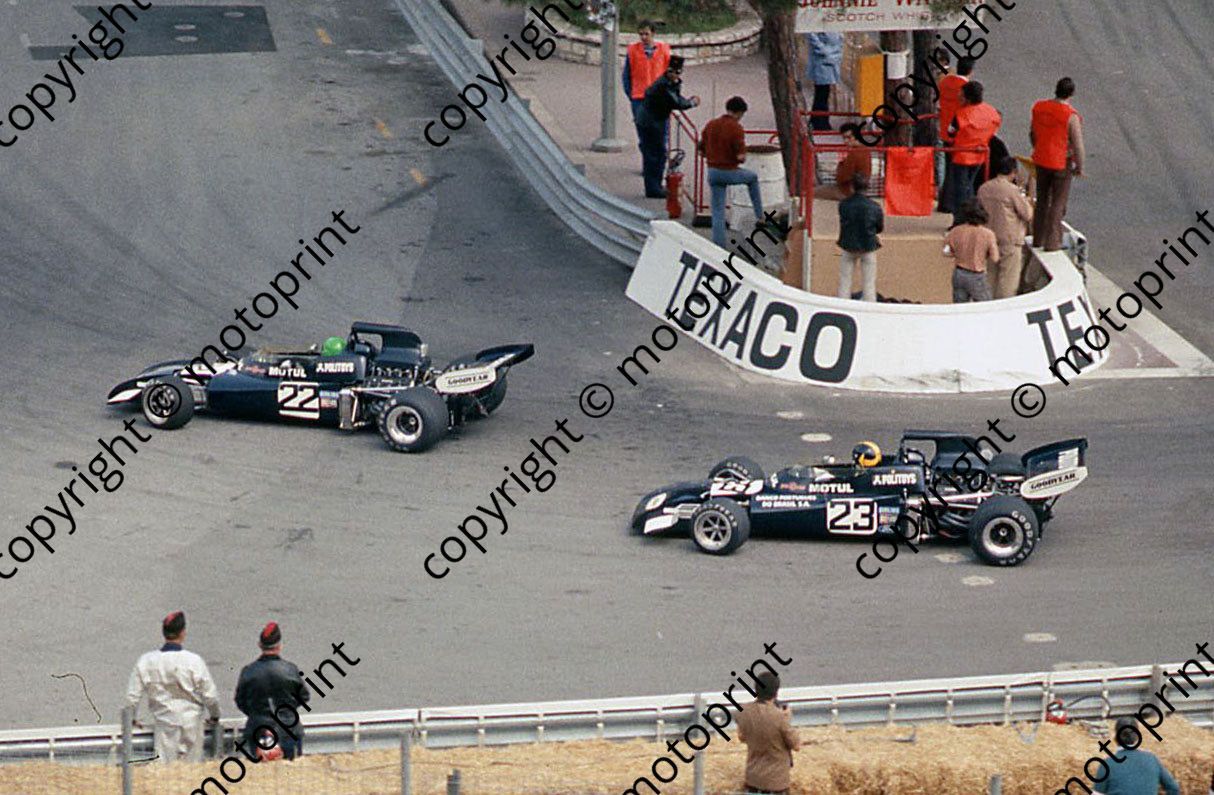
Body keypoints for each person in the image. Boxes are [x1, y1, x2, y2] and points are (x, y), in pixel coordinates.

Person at [123, 611, 221, 764]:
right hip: (192, 723)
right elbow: (210, 696)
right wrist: (215, 715)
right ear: (183, 633)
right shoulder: (194, 661)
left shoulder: (147, 661)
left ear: (163, 633)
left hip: (165, 723)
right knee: (192, 770)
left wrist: (132, 718)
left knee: (165, 772)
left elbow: (132, 697)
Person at [235, 622, 311, 761]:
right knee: (292, 772)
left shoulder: (249, 671)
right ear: (279, 646)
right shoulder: (290, 669)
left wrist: (255, 713)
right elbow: (304, 697)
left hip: (258, 729)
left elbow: (240, 701)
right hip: (288, 729)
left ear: (260, 645)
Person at [700, 96, 764, 248]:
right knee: (752, 178)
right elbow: (740, 157)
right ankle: (760, 215)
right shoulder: (736, 128)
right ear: (740, 113)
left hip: (713, 172)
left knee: (717, 211)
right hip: (729, 171)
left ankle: (719, 246)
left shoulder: (711, 124)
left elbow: (701, 149)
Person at [1030, 76, 1085, 251]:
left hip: (1041, 159)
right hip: (1061, 162)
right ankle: (1052, 242)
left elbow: (1032, 133)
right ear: (1072, 93)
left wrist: (1038, 148)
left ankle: (1038, 237)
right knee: (1058, 204)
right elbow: (1078, 145)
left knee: (1042, 200)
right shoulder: (1070, 116)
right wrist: (1079, 167)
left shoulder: (1039, 107)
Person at [637, 55, 699, 199]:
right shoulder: (664, 85)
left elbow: (676, 96)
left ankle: (655, 185)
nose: (675, 76)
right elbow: (677, 102)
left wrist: (678, 85)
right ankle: (653, 188)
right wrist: (692, 102)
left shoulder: (669, 83)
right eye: (673, 72)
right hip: (651, 122)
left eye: (678, 72)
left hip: (654, 120)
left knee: (657, 154)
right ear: (668, 71)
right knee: (655, 155)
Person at [736, 670, 801, 795]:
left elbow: (741, 737)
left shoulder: (743, 711)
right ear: (776, 692)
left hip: (752, 780)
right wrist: (787, 719)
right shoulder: (779, 717)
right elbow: (796, 745)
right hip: (776, 784)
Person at [977, 156, 1032, 298]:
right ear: (1013, 172)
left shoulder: (984, 188)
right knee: (1008, 283)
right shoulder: (1012, 191)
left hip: (989, 238)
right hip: (1010, 240)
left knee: (990, 280)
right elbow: (1027, 214)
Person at [947, 80, 1001, 225]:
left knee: (960, 192)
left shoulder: (961, 115)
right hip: (980, 155)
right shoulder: (992, 112)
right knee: (970, 187)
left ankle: (960, 221)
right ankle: (972, 217)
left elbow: (950, 133)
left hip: (962, 156)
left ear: (968, 98)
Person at [1097, 717, 1180, 795]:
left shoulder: (1107, 764)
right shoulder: (1151, 759)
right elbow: (1173, 788)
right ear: (1137, 736)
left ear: (1115, 736)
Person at [836, 173, 883, 302]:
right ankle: (869, 306)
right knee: (869, 282)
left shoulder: (844, 204)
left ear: (852, 187)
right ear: (867, 188)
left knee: (844, 280)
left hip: (848, 244)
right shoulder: (874, 207)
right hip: (868, 245)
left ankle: (842, 305)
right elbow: (879, 227)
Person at [936, 56, 973, 213]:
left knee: (949, 165)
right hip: (960, 132)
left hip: (945, 128)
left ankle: (945, 200)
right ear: (971, 71)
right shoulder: (967, 88)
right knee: (957, 170)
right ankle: (951, 203)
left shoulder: (945, 83)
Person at [944, 200, 998, 303]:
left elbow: (946, 251)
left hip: (959, 272)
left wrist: (956, 253)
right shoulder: (987, 234)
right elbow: (995, 258)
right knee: (985, 306)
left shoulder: (955, 231)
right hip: (976, 273)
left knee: (960, 307)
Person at [621, 22, 670, 131]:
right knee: (643, 133)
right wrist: (632, 94)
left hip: (659, 98)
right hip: (639, 98)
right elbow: (626, 75)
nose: (643, 37)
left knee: (661, 133)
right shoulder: (632, 50)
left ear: (653, 33)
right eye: (641, 34)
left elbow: (669, 74)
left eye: (646, 34)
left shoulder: (663, 50)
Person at [814, 123, 872, 201]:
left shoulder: (854, 153)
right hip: (858, 190)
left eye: (848, 137)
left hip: (846, 191)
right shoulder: (865, 150)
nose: (845, 141)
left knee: (811, 192)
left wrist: (841, 165)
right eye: (844, 138)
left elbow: (842, 177)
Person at [805, 32, 843, 132]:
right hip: (822, 60)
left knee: (824, 93)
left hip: (832, 58)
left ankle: (819, 121)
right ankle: (820, 122)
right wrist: (824, 50)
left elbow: (839, 37)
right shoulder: (816, 23)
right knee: (821, 93)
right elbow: (812, 36)